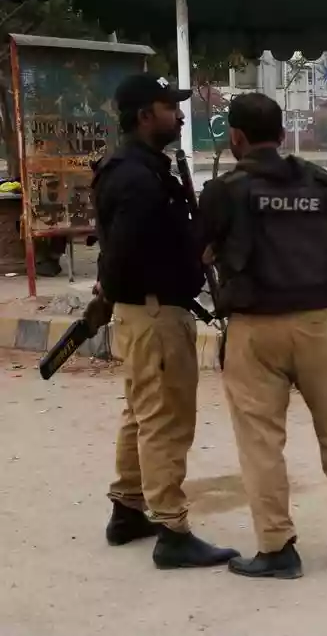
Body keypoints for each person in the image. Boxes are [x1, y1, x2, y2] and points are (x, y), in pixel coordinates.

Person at [199, 93, 327, 580]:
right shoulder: (317, 181)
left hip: (256, 329)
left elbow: (202, 251)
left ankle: (277, 548)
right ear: (280, 134)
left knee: (261, 443)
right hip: (321, 322)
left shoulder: (223, 191)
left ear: (236, 136)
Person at [95, 73, 240, 569]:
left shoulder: (139, 168)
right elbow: (124, 253)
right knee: (166, 420)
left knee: (141, 413)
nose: (179, 115)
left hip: (146, 310)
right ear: (143, 116)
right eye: (168, 108)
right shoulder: (137, 178)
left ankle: (127, 508)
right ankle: (172, 530)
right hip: (155, 313)